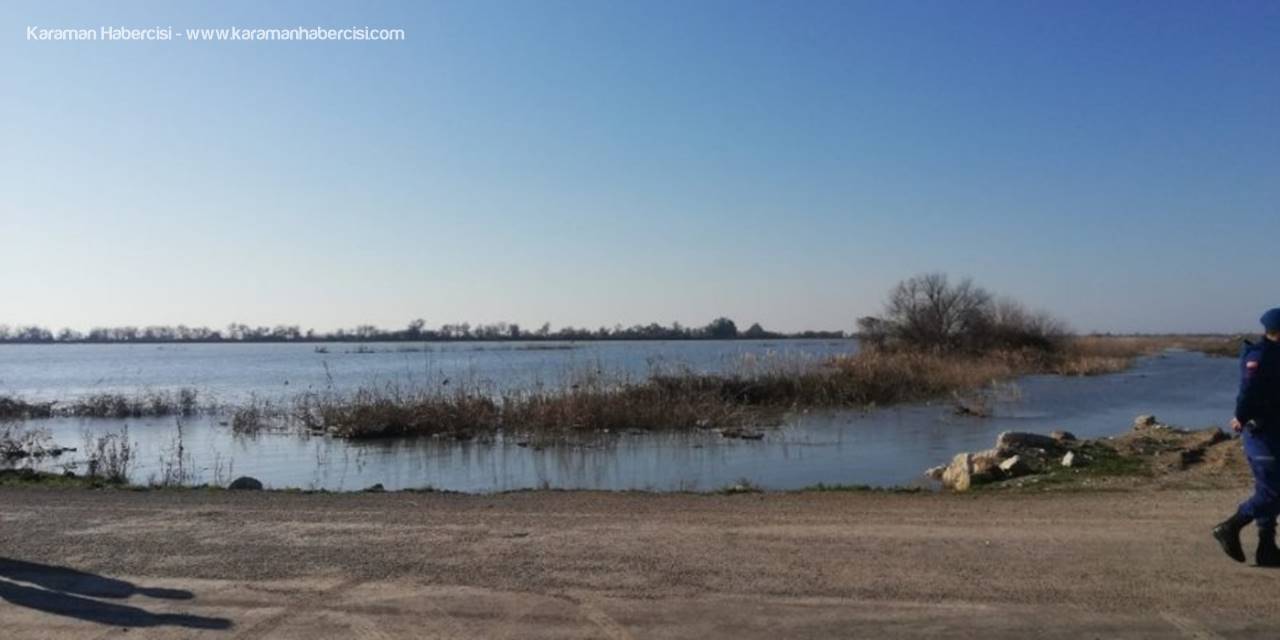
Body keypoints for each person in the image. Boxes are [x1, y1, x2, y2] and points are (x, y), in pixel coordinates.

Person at [1213, 308, 1280, 565]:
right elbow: (1248, 391)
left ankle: (1266, 547)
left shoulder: (1275, 354)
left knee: (1270, 488)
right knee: (1273, 492)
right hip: (1261, 432)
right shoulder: (1260, 356)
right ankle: (1230, 526)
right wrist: (1240, 417)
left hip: (1275, 430)